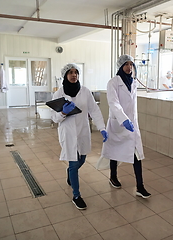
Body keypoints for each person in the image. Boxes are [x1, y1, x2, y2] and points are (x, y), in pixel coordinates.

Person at [51, 63, 108, 210]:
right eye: (70, 72)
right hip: (68, 133)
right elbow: (54, 118)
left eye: (76, 72)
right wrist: (63, 112)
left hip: (82, 131)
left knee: (82, 159)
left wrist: (102, 127)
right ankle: (76, 195)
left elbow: (94, 110)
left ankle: (70, 172)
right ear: (65, 75)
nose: (73, 75)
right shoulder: (59, 94)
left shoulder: (85, 91)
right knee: (74, 164)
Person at [101, 54, 151, 198]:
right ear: (121, 66)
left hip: (132, 124)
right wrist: (123, 119)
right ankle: (113, 176)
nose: (129, 67)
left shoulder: (133, 82)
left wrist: (131, 120)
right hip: (118, 123)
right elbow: (113, 103)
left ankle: (140, 186)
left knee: (136, 154)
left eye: (131, 64)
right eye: (126, 64)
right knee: (114, 152)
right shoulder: (113, 82)